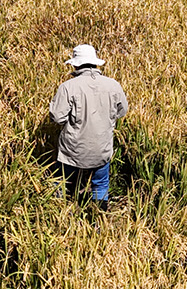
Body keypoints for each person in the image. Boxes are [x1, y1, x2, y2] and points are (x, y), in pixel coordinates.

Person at [48, 44, 129, 210]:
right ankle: (100, 218)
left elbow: (57, 116)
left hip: (73, 149)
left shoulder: (68, 87)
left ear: (75, 64)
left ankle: (59, 213)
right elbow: (123, 110)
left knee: (61, 180)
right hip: (102, 147)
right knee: (100, 183)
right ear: (95, 63)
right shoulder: (113, 84)